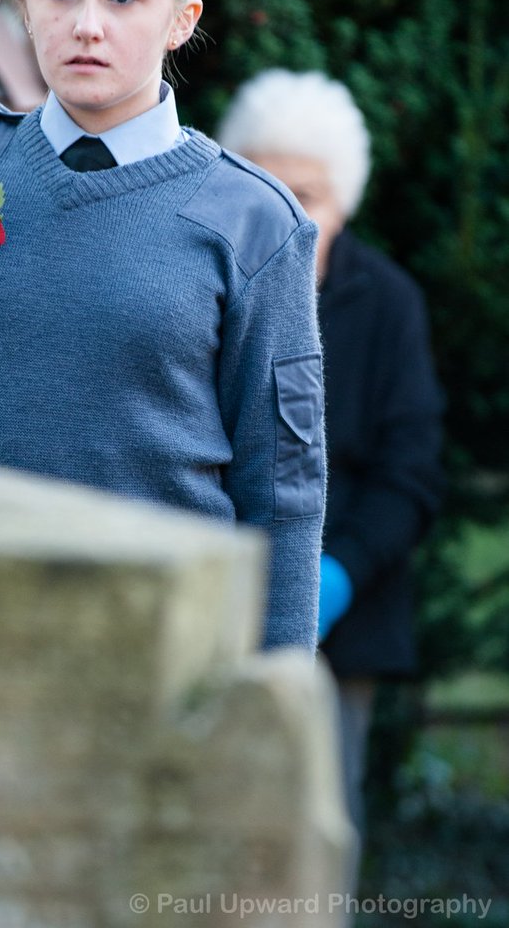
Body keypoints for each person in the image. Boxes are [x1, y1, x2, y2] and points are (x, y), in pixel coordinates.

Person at [0, 0, 327, 651]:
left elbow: (283, 494)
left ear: (183, 18)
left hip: (157, 653)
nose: (88, 24)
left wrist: (273, 689)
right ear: (25, 10)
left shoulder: (253, 222)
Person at [216, 67, 445, 887]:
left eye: (306, 196)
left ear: (343, 203)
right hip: (211, 599)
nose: (286, 215)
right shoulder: (203, 285)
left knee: (313, 840)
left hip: (337, 629)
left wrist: (333, 578)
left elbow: (411, 475)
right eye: (266, 187)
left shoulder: (388, 304)